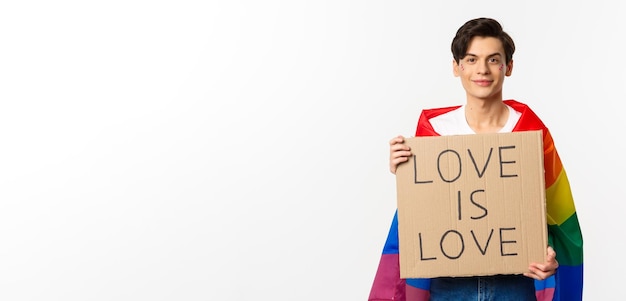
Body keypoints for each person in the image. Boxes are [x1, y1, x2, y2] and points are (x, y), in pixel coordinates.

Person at [368, 17, 583, 301]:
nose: (482, 69)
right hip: (447, 285)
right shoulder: (433, 132)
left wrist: (550, 258)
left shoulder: (531, 132)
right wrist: (405, 172)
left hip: (514, 285)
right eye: (471, 59)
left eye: (493, 59)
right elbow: (422, 215)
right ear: (457, 67)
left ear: (509, 67)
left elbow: (556, 215)